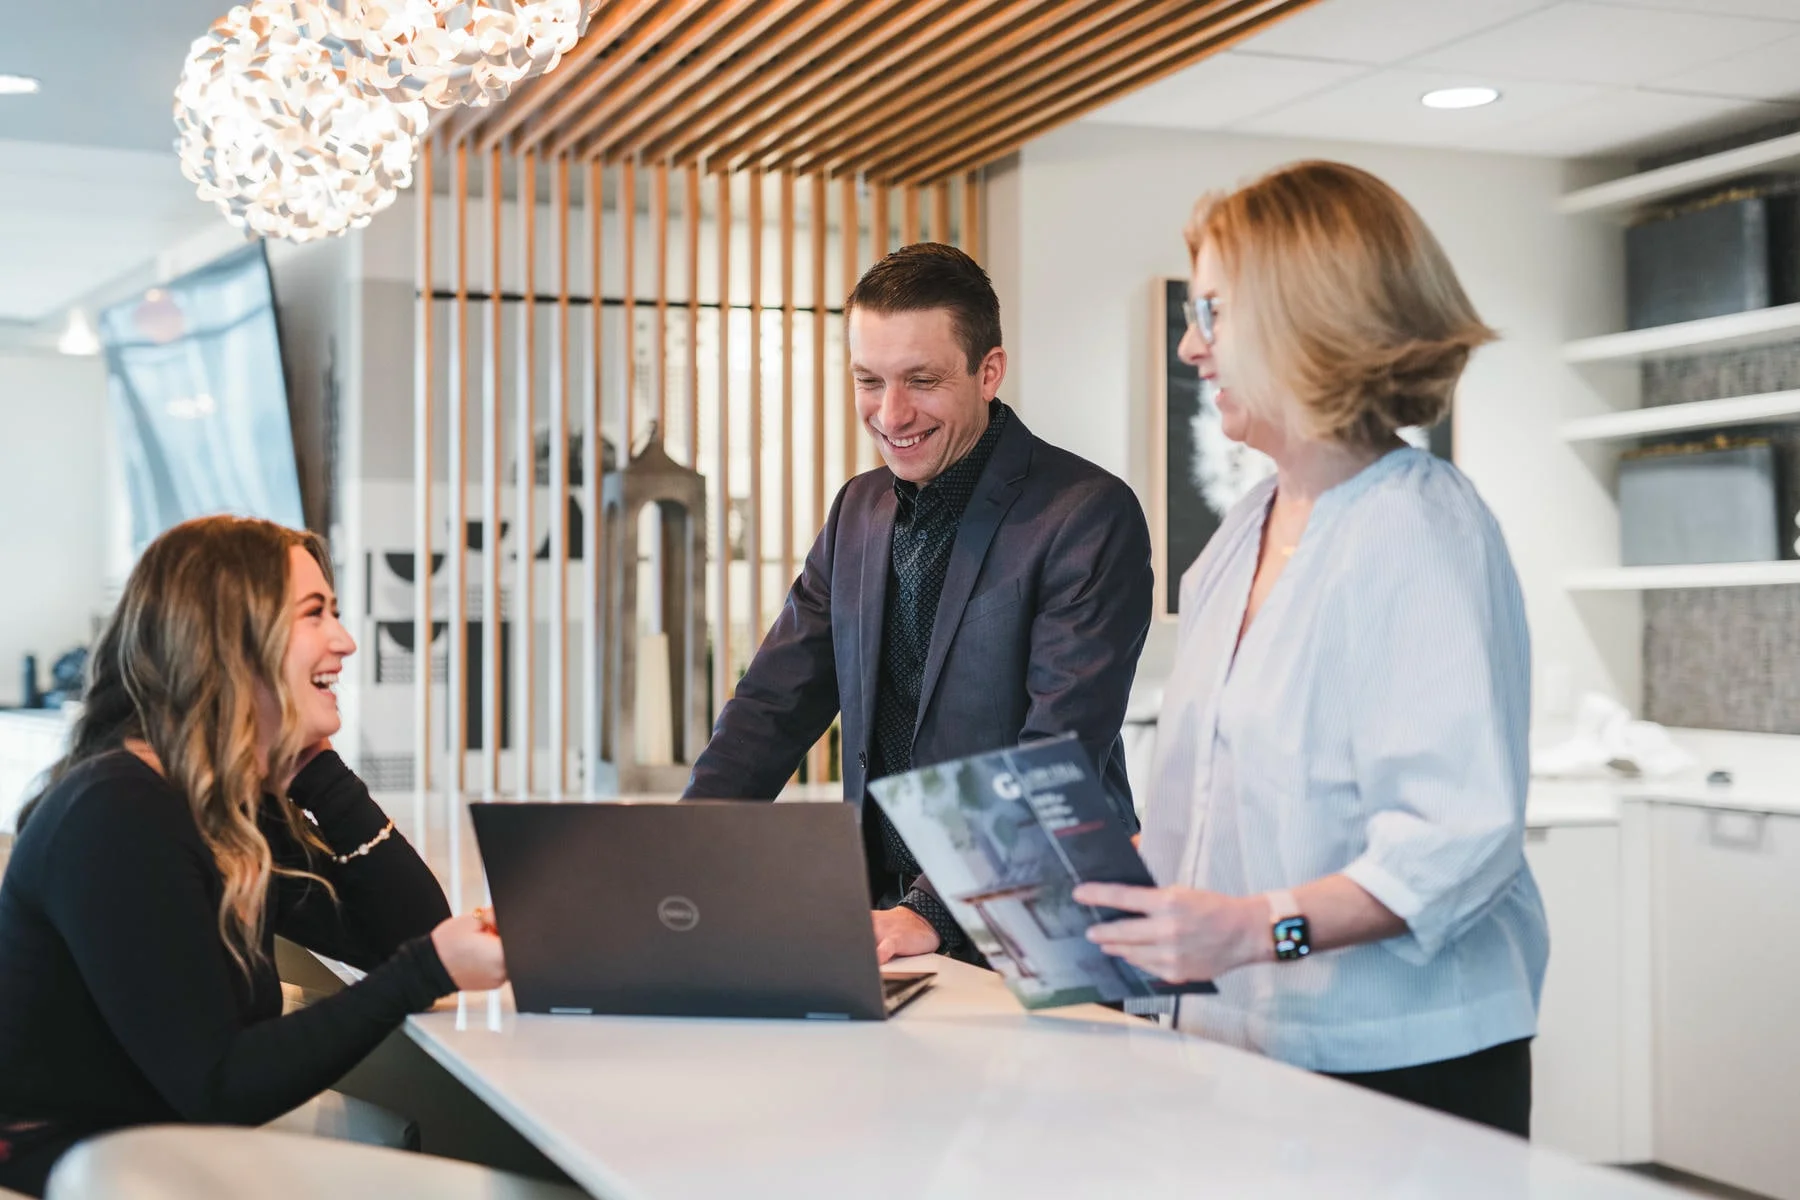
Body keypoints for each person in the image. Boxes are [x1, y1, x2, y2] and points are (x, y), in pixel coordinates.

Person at [1075, 161, 1548, 1137]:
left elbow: (1452, 843)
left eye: (1210, 313)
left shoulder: (1420, 530)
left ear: (1306, 315)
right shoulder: (1244, 531)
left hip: (1398, 1062)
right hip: (1234, 1044)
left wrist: (1255, 928)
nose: (1189, 346)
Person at [0, 517, 506, 1196]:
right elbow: (219, 1085)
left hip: (153, 1139)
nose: (345, 640)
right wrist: (429, 966)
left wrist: (321, 775)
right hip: (80, 1167)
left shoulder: (215, 802)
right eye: (314, 614)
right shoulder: (120, 811)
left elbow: (403, 935)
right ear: (230, 642)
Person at [685, 243, 1154, 964]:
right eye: (868, 381)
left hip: (1037, 920)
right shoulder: (858, 510)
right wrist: (671, 853)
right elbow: (772, 706)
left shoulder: (1084, 514)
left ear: (988, 372)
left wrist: (930, 910)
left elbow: (1056, 755)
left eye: (922, 380)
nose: (891, 412)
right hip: (888, 920)